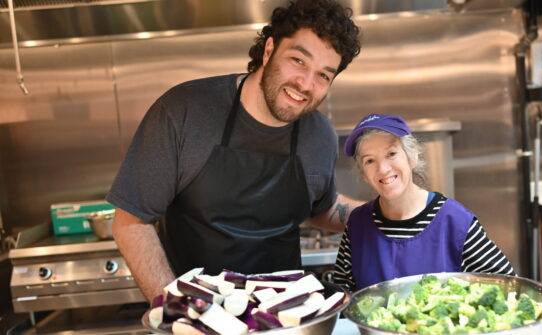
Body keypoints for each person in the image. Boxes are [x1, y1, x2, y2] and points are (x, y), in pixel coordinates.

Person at [107, 0, 362, 302]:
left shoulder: (318, 134)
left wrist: (389, 212)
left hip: (283, 317)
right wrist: (176, 310)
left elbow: (321, 209)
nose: (306, 84)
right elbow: (131, 223)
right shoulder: (184, 111)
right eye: (298, 60)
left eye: (324, 75)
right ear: (269, 51)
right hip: (199, 314)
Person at [333, 114, 515, 292]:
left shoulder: (456, 222)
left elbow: (507, 287)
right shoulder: (357, 224)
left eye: (391, 153)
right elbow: (341, 295)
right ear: (364, 174)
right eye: (370, 161)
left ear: (412, 157)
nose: (383, 169)